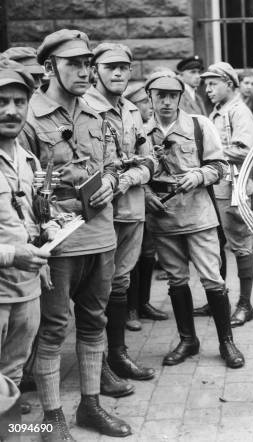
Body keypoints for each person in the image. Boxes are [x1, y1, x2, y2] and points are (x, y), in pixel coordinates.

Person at [21, 29, 131, 439]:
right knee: (52, 328)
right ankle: (52, 418)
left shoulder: (95, 113)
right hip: (57, 244)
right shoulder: (28, 117)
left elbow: (115, 164)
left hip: (101, 236)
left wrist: (113, 183)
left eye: (88, 63)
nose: (85, 71)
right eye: (75, 64)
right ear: (50, 67)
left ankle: (90, 407)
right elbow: (22, 187)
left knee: (93, 323)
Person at [143, 70, 245, 368]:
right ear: (150, 97)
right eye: (159, 95)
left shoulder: (200, 126)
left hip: (199, 216)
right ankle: (188, 339)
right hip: (163, 217)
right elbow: (134, 170)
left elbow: (220, 166)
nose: (165, 101)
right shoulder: (140, 134)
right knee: (176, 280)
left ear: (180, 97)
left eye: (172, 95)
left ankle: (227, 342)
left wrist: (199, 175)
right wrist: (146, 192)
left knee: (213, 279)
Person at [84, 43, 156, 395]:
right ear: (95, 69)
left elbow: (149, 160)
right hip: (101, 213)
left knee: (121, 283)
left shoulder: (131, 109)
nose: (117, 73)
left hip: (131, 209)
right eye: (109, 67)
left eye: (124, 68)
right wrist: (126, 172)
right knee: (96, 289)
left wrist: (130, 176)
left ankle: (118, 355)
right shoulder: (85, 107)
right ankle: (98, 365)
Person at [0, 58, 52, 420]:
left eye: (20, 102)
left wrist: (44, 242)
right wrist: (10, 255)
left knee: (13, 375)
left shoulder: (27, 159)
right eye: (1, 101)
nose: (11, 111)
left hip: (26, 289)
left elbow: (29, 218)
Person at [201, 62, 253, 327]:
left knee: (241, 244)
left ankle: (245, 304)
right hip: (216, 188)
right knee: (216, 243)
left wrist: (210, 153)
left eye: (213, 83)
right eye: (206, 84)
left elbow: (247, 150)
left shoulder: (239, 112)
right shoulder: (218, 111)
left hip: (233, 189)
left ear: (229, 83)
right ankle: (219, 299)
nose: (208, 88)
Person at [122, 81, 168, 331]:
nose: (149, 107)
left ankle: (144, 302)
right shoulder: (125, 126)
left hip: (145, 202)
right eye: (143, 103)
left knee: (148, 253)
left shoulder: (147, 129)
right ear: (131, 105)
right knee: (132, 258)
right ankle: (130, 309)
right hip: (131, 199)